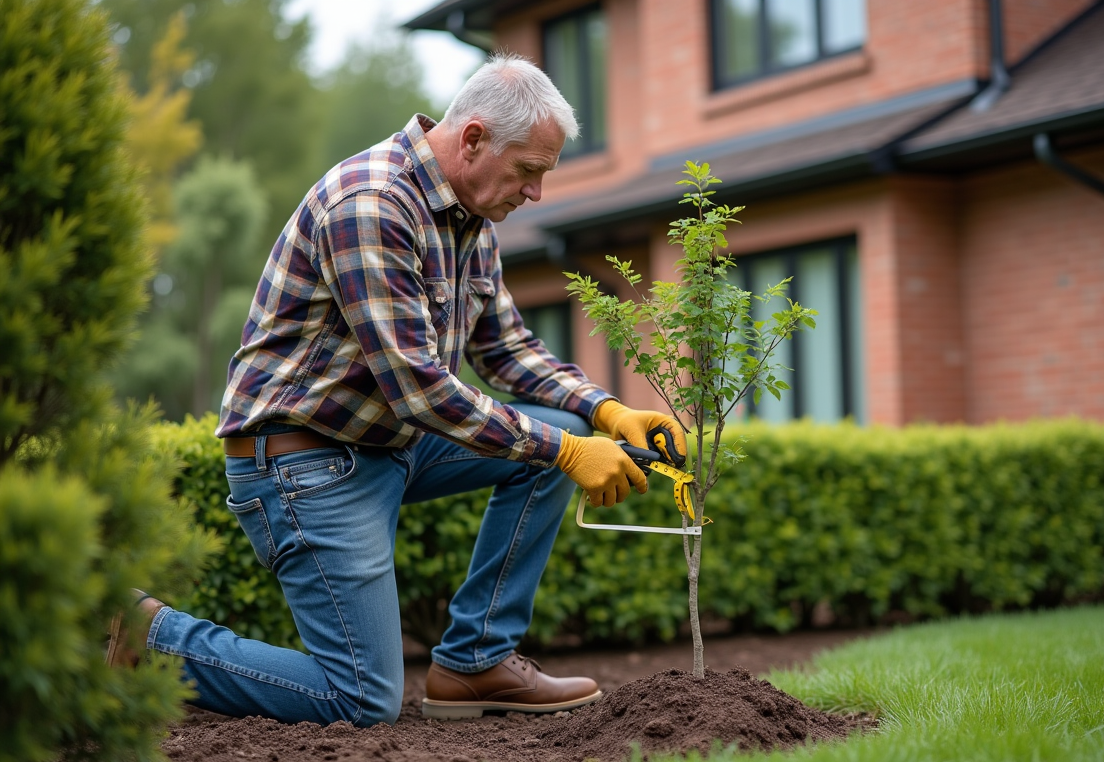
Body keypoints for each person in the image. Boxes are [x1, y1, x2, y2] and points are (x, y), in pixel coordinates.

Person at [124, 54, 686, 726]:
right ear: (474, 138)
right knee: (359, 699)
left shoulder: (472, 218)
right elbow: (418, 388)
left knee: (552, 438)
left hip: (387, 443)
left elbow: (505, 349)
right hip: (305, 463)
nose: (535, 193)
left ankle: (474, 663)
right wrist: (566, 451)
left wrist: (605, 410)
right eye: (529, 172)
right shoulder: (372, 203)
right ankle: (145, 634)